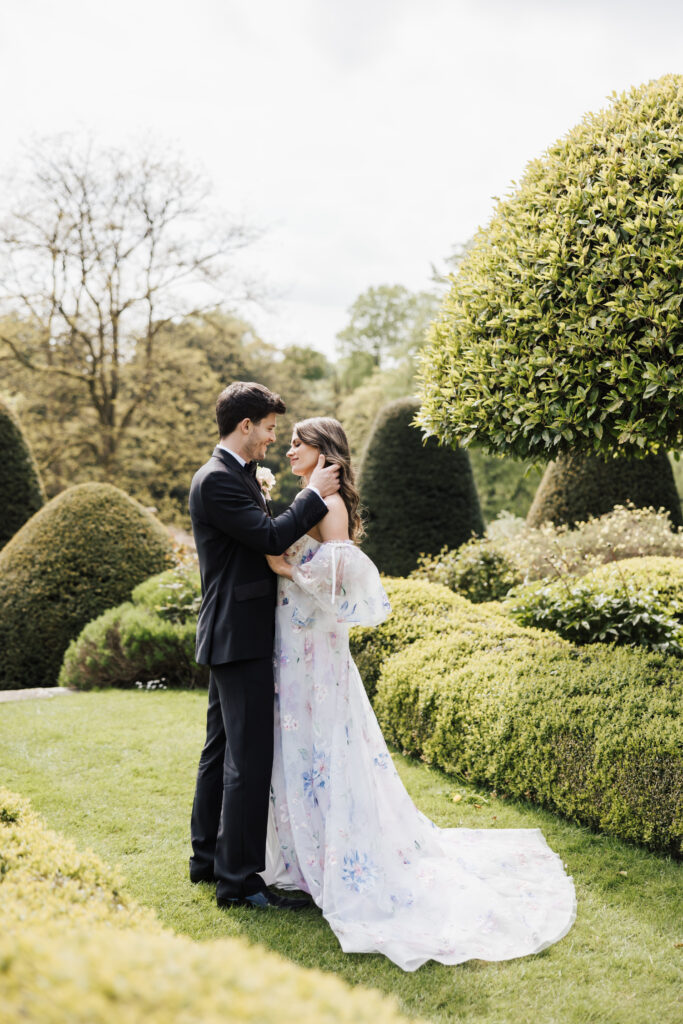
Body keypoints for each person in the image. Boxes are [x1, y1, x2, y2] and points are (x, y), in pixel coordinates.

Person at [263, 416, 577, 971]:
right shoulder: (312, 498)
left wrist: (286, 569)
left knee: (320, 748)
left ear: (323, 449)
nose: (289, 449)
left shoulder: (329, 506)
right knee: (302, 747)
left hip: (313, 652)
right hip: (296, 648)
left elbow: (341, 581)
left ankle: (329, 857)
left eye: (297, 442)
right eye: (286, 441)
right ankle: (299, 853)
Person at [188, 383, 340, 910]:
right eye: (271, 427)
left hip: (235, 632)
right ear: (246, 425)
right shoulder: (216, 481)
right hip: (242, 635)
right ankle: (240, 881)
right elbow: (270, 537)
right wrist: (313, 494)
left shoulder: (235, 476)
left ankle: (205, 860)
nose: (276, 437)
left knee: (221, 754)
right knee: (244, 763)